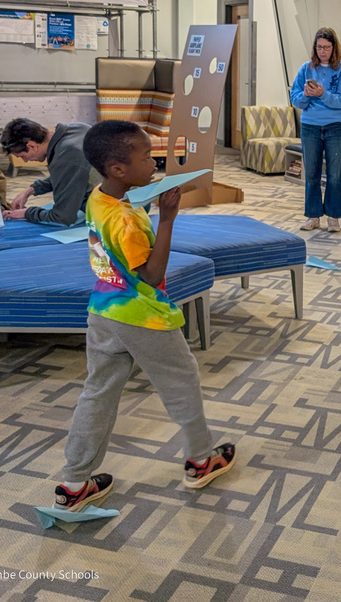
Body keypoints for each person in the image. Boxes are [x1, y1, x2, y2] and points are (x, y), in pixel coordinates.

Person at [53, 120, 236, 512]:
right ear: (118, 169)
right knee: (181, 381)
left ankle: (73, 482)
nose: (154, 162)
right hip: (142, 315)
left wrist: (150, 202)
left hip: (104, 310)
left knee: (98, 393)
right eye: (145, 156)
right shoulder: (127, 221)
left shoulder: (101, 199)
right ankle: (202, 459)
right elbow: (151, 275)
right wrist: (167, 219)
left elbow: (120, 234)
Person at [290, 27, 341, 233]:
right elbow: (296, 99)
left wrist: (322, 94)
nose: (322, 51)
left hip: (336, 126)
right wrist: (307, 95)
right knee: (312, 173)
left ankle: (333, 217)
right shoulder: (305, 69)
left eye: (326, 47)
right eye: (319, 47)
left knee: (334, 174)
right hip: (310, 127)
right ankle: (313, 215)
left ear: (334, 48)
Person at [0, 118, 100, 226]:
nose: (25, 160)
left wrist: (28, 213)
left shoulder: (65, 156)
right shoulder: (79, 128)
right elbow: (70, 174)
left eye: (22, 156)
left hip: (110, 210)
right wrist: (31, 190)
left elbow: (62, 217)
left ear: (31, 146)